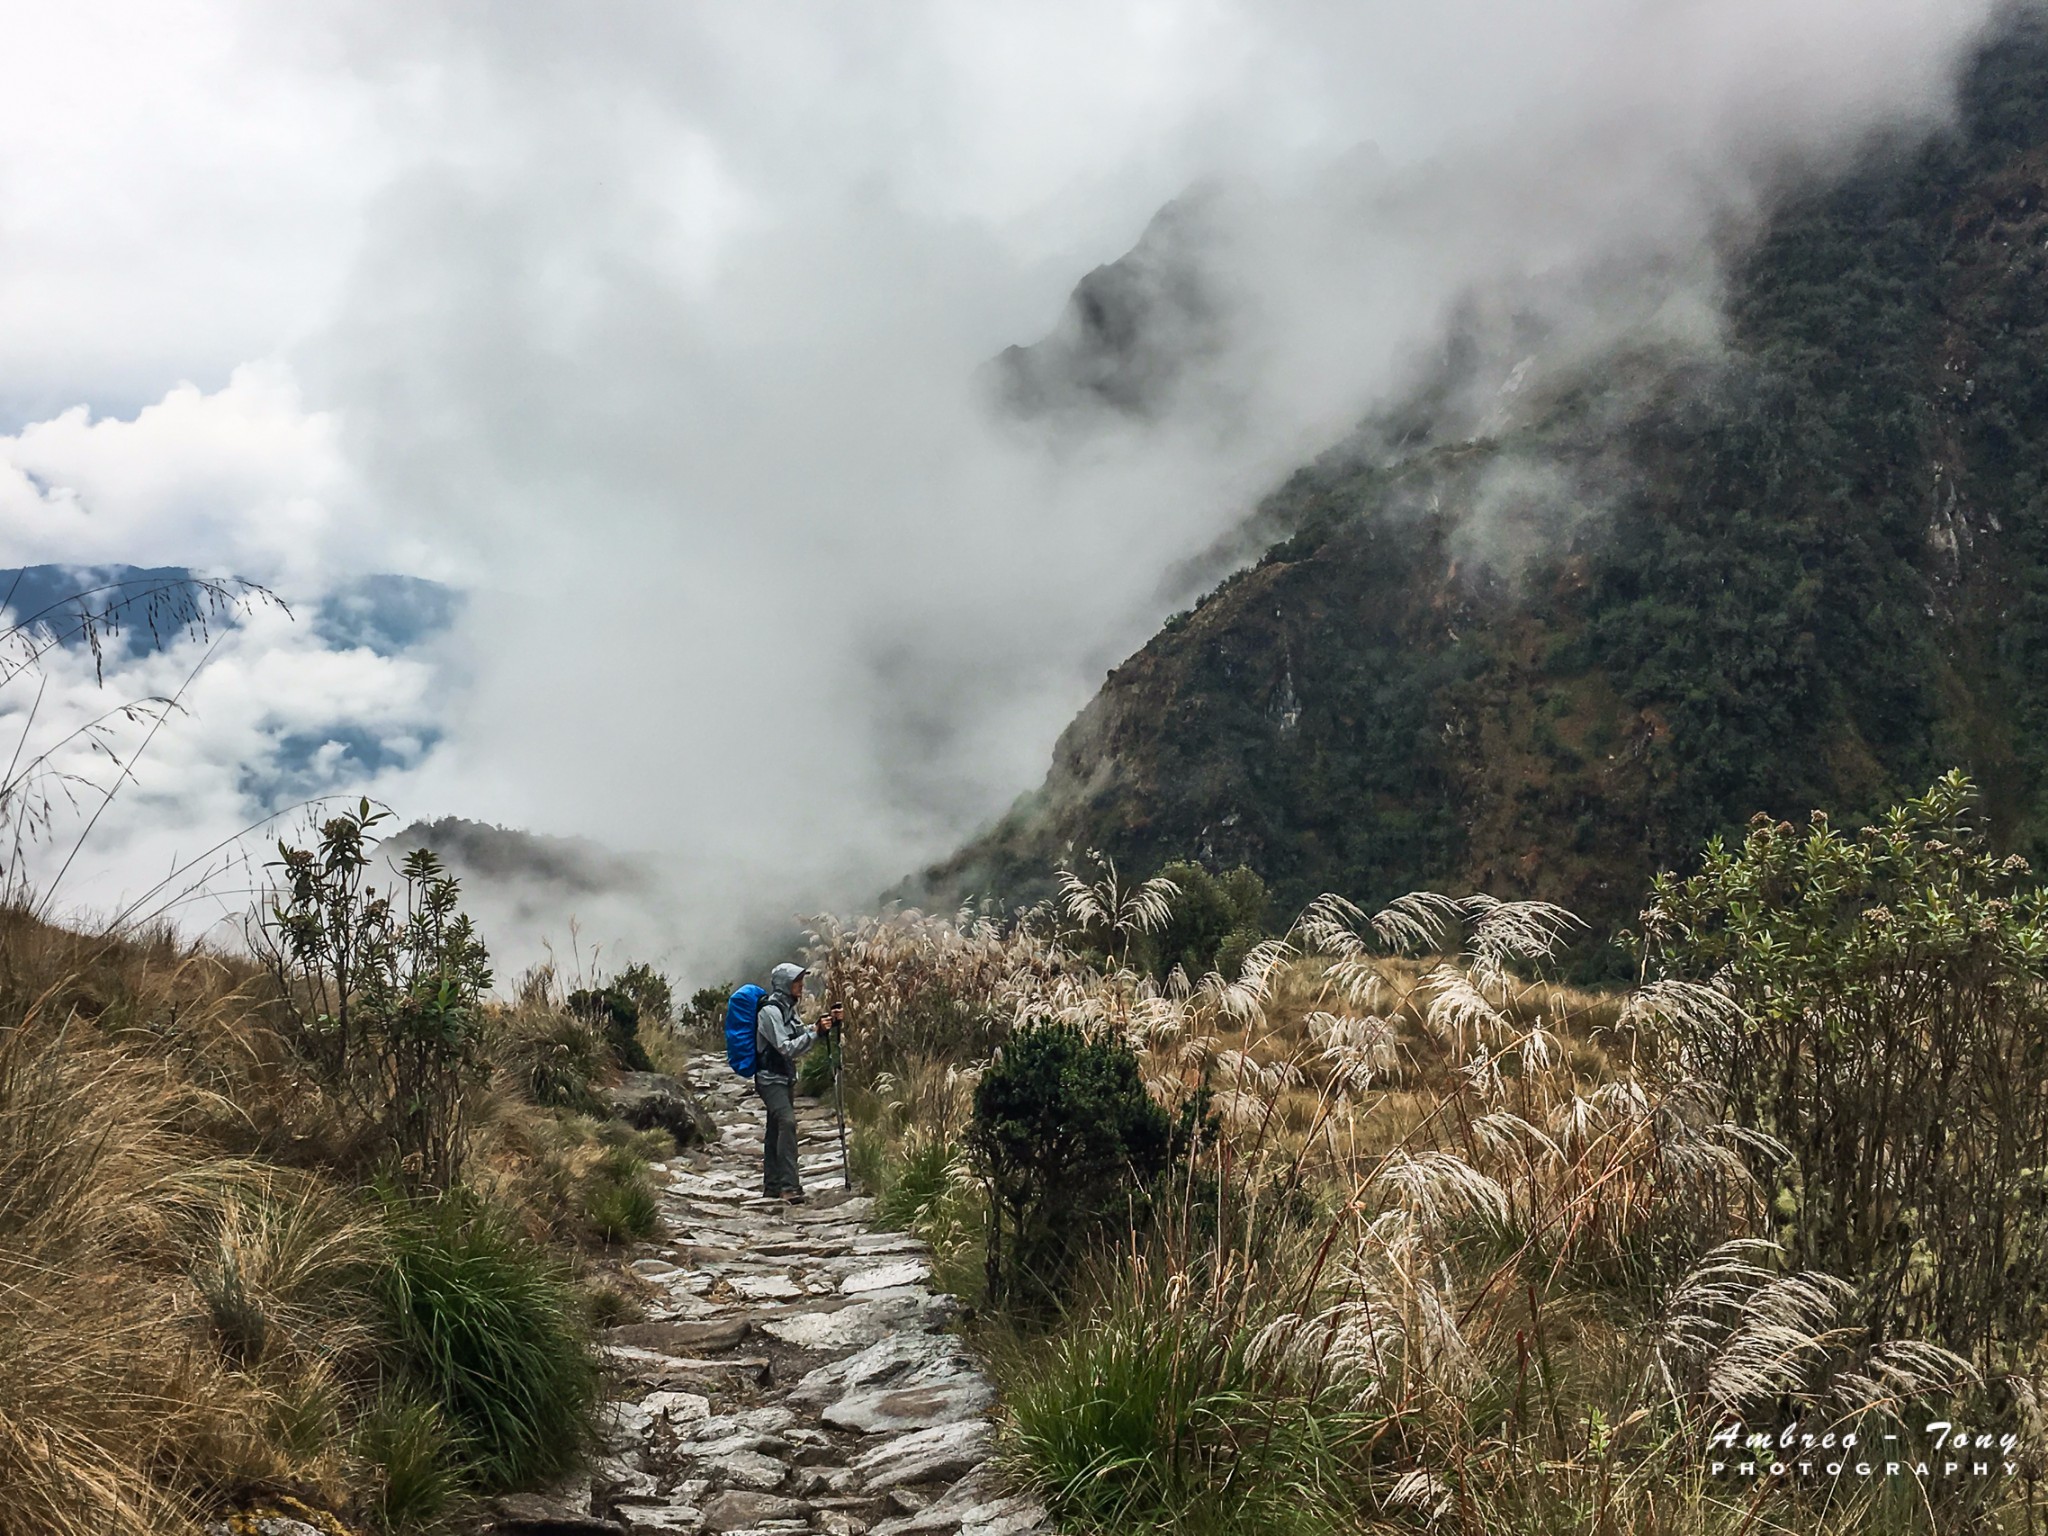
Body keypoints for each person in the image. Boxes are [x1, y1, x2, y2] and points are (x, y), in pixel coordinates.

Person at [754, 962, 839, 1202]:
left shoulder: (788, 1008)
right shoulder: (769, 1012)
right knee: (787, 1123)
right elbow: (785, 1048)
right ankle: (789, 1186)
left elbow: (800, 1032)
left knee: (775, 1129)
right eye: (796, 981)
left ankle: (772, 1186)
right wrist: (815, 1035)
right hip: (770, 1080)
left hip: (783, 1078)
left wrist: (821, 1026)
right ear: (784, 984)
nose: (801, 986)